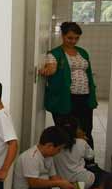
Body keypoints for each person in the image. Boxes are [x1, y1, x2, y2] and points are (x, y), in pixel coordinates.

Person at [13, 127, 100, 189]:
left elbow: (54, 177)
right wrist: (59, 183)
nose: (58, 153)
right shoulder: (31, 157)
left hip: (43, 187)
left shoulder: (48, 156)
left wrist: (67, 185)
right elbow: (33, 183)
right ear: (49, 146)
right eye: (59, 149)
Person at [40, 21, 98, 149]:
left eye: (76, 38)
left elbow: (87, 72)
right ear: (63, 35)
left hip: (84, 97)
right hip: (66, 98)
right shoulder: (54, 53)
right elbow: (52, 67)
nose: (73, 41)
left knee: (86, 129)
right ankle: (67, 164)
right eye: (70, 38)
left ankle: (89, 162)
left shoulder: (83, 52)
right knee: (67, 132)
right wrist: (47, 70)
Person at [54, 115, 110, 189]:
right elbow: (90, 156)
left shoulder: (54, 145)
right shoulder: (81, 142)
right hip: (83, 181)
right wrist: (83, 139)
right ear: (76, 130)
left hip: (62, 183)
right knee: (105, 176)